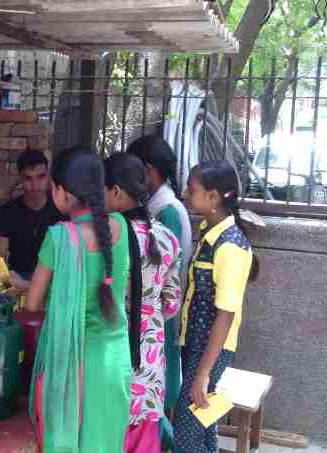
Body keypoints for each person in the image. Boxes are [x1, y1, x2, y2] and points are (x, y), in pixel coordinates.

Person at [26, 146, 131, 453]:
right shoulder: (122, 227)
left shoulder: (59, 238)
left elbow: (32, 302)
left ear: (60, 191)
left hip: (75, 366)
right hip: (115, 361)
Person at [174, 161, 257, 453]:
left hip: (211, 352)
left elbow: (226, 313)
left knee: (185, 434)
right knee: (203, 426)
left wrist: (203, 373)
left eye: (192, 190)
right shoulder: (209, 232)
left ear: (213, 197)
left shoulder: (230, 245)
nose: (186, 194)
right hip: (196, 345)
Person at [104, 154, 183, 453]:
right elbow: (172, 305)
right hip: (148, 366)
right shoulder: (167, 239)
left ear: (115, 192)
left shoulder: (102, 238)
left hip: (108, 359)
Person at [127, 134, 192, 415]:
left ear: (149, 172)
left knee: (156, 392)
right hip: (156, 311)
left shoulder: (166, 212)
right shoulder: (159, 206)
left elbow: (163, 273)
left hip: (158, 312)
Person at [0, 149, 65, 289]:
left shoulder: (62, 210)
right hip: (17, 278)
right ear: (20, 178)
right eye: (28, 178)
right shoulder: (5, 212)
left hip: (55, 281)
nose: (35, 185)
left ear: (49, 176)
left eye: (41, 177)